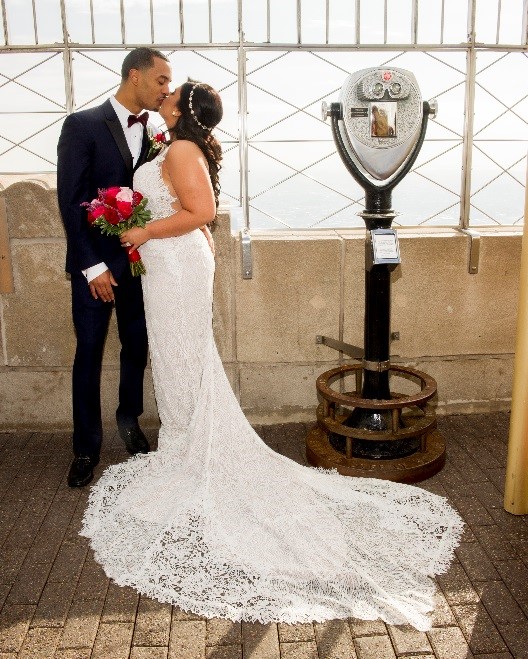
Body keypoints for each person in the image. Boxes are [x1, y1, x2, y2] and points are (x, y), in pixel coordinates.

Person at [80, 81, 463, 631]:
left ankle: (194, 452)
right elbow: (190, 209)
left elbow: (202, 209)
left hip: (175, 264)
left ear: (179, 110)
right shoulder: (174, 146)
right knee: (175, 359)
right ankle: (186, 444)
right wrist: (148, 230)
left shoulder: (183, 149)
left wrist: (140, 228)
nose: (162, 95)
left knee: (183, 355)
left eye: (170, 93)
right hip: (166, 264)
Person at [57, 47, 172, 488]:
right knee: (88, 353)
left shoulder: (159, 132)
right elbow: (71, 201)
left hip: (141, 266)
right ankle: (85, 447)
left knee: (135, 347)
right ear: (134, 75)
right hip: (95, 269)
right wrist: (91, 266)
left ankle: (129, 421)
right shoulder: (82, 125)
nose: (165, 89)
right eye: (160, 80)